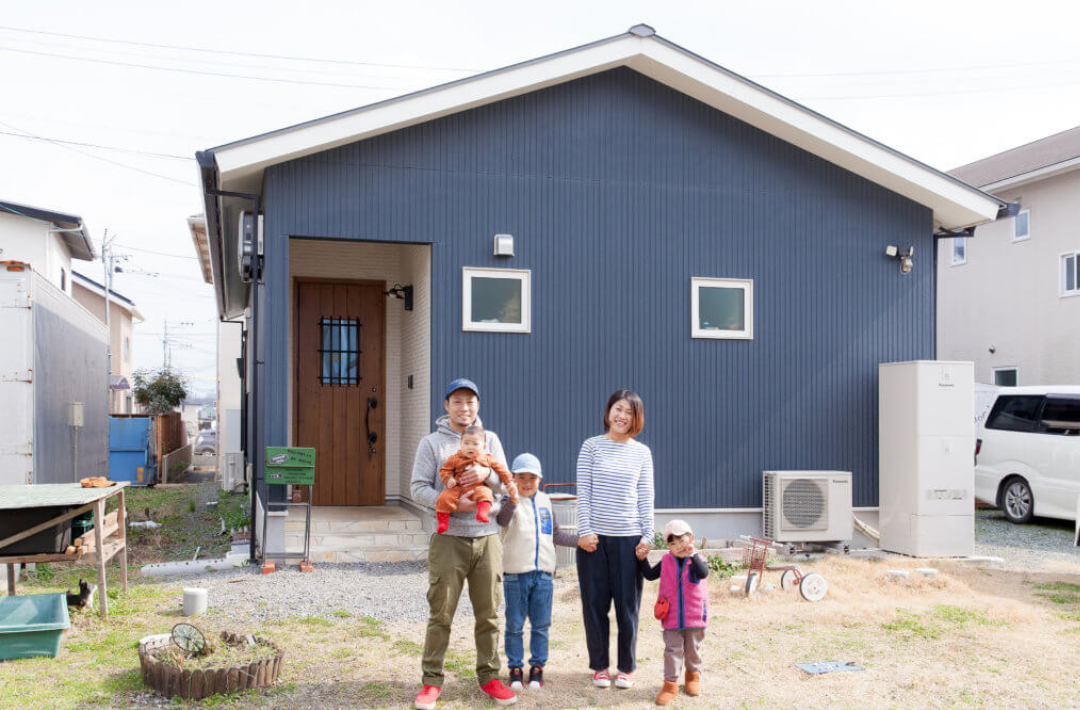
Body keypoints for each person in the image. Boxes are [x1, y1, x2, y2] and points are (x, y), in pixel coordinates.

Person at [410, 378, 518, 709]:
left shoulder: (491, 440)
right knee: (440, 613)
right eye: (457, 401)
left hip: (487, 540)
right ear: (446, 406)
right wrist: (455, 503)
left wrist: (486, 479)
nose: (464, 408)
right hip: (448, 540)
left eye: (470, 402)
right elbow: (417, 488)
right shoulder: (431, 443)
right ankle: (431, 681)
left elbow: (504, 482)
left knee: (489, 614)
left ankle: (490, 678)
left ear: (478, 406)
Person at [575, 389, 655, 690]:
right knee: (594, 606)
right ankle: (599, 667)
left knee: (627, 607)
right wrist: (584, 531)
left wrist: (648, 534)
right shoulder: (591, 447)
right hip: (593, 541)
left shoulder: (642, 453)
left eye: (630, 412)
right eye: (618, 409)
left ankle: (625, 668)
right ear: (609, 412)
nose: (623, 416)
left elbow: (646, 498)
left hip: (629, 541)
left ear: (636, 418)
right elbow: (584, 493)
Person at [495, 453, 587, 691]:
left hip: (544, 575)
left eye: (532, 478)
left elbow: (555, 535)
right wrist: (513, 499)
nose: (526, 482)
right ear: (513, 478)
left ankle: (537, 669)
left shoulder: (546, 501)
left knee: (541, 625)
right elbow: (502, 522)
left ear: (540, 479)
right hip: (515, 575)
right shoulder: (508, 502)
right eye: (521, 477)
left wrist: (581, 541)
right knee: (514, 625)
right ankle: (515, 669)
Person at [637, 519, 708, 706]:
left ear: (691, 538)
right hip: (671, 616)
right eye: (672, 543)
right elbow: (650, 575)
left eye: (682, 541)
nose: (678, 546)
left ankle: (693, 677)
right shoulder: (666, 560)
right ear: (667, 545)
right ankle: (670, 685)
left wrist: (692, 555)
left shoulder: (698, 559)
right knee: (672, 651)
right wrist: (642, 560)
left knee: (693, 649)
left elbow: (703, 574)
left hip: (695, 615)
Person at [437, 425, 517, 533]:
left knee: (486, 493)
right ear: (460, 444)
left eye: (475, 444)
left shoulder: (487, 458)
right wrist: (449, 479)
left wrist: (509, 482)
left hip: (478, 486)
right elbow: (445, 470)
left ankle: (482, 513)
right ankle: (442, 522)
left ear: (483, 447)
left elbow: (502, 470)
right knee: (444, 497)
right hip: (458, 487)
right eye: (466, 443)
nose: (470, 447)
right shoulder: (454, 458)